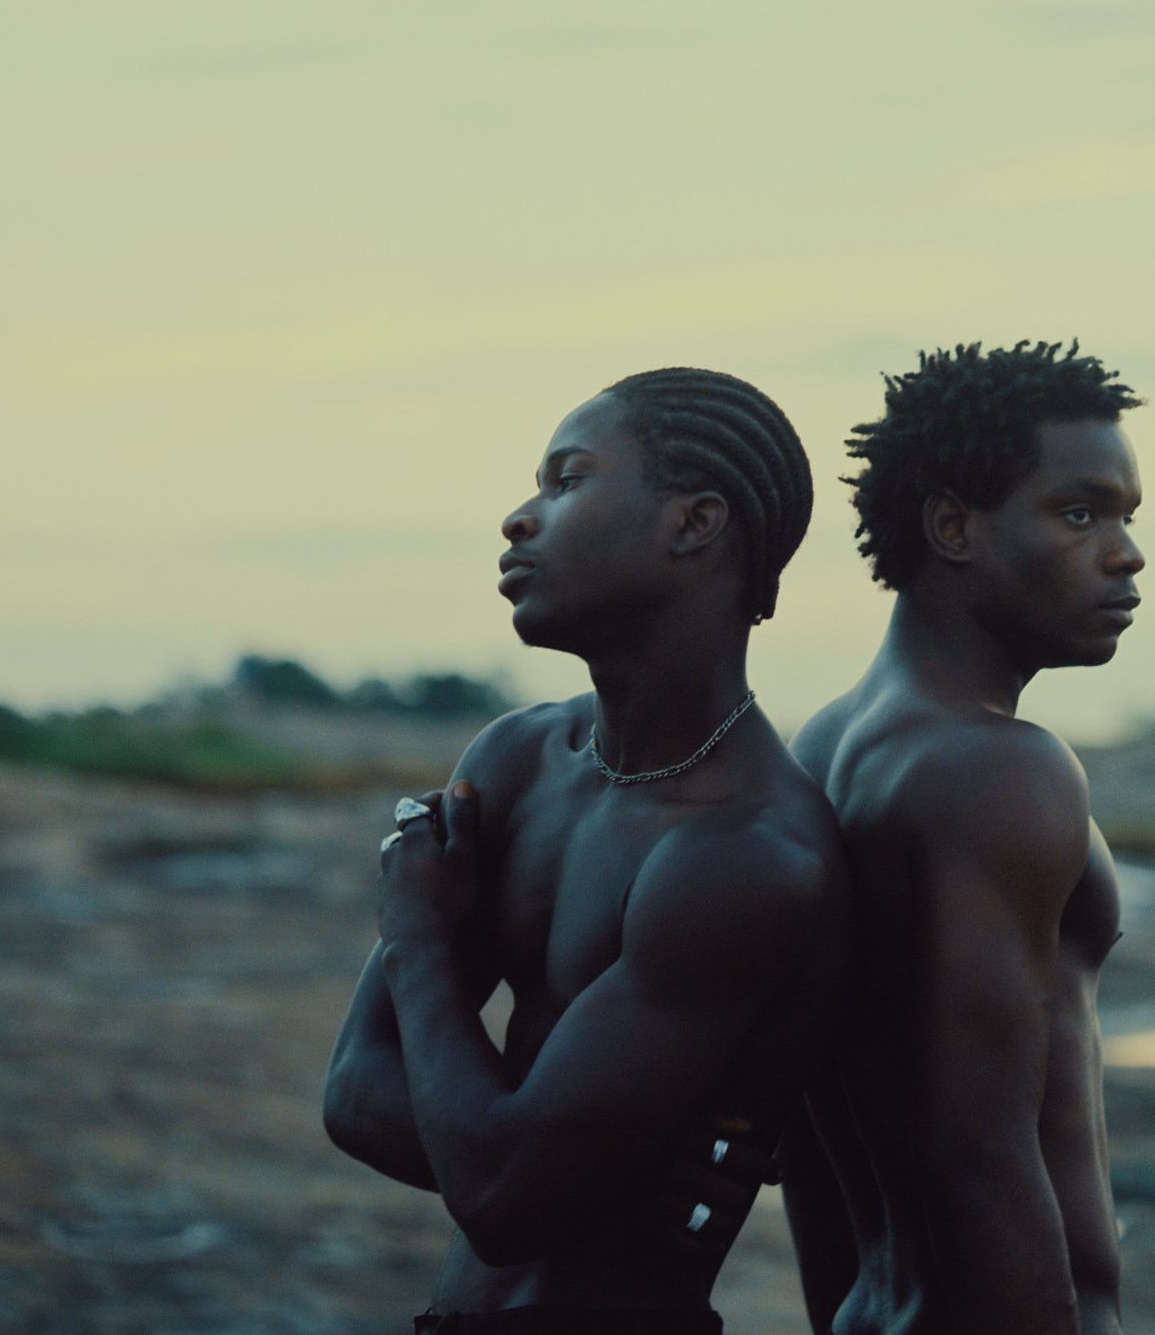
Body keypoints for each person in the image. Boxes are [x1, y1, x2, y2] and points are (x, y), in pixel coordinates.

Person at [324, 367, 850, 1335]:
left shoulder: (753, 855)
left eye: (565, 481)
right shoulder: (518, 759)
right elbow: (353, 1091)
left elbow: (505, 1201)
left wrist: (416, 936)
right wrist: (552, 1160)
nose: (519, 519)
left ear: (691, 524)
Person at [779, 341, 1144, 1335]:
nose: (1124, 552)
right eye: (1079, 512)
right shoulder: (996, 768)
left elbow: (806, 1130)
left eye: (1124, 517)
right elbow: (978, 1159)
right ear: (951, 525)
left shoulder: (826, 745)